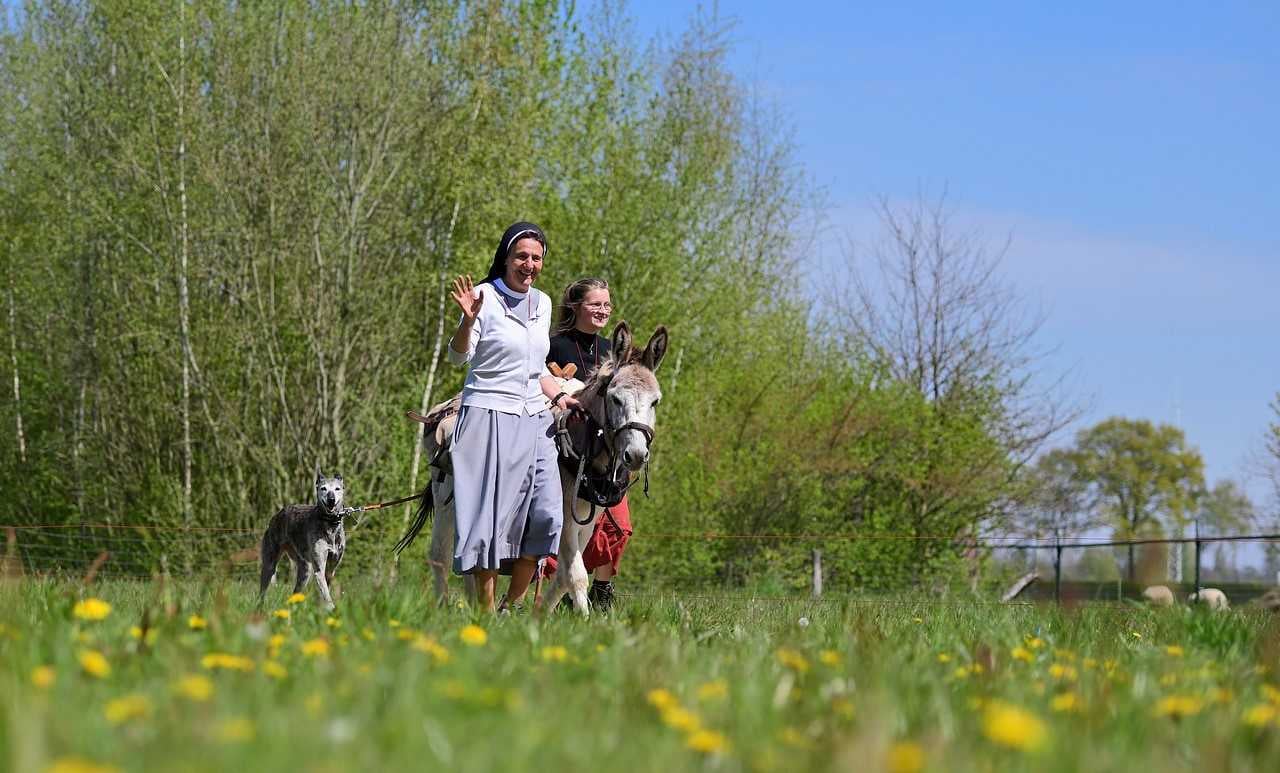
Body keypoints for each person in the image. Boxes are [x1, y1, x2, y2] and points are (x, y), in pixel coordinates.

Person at [446, 221, 579, 612]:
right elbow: (458, 357)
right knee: (487, 518)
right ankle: (486, 617)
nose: (529, 264)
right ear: (506, 257)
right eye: (521, 256)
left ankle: (510, 606)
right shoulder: (484, 296)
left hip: (534, 418)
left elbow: (536, 368)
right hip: (488, 415)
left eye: (536, 258)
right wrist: (468, 321)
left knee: (547, 514)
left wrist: (561, 396)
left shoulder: (544, 303)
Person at [544, 277, 633, 612]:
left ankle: (602, 589)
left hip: (605, 456)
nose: (603, 310)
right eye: (596, 304)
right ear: (576, 306)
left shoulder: (614, 350)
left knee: (618, 526)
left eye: (607, 304)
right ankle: (559, 594)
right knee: (564, 527)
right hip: (564, 448)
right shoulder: (553, 345)